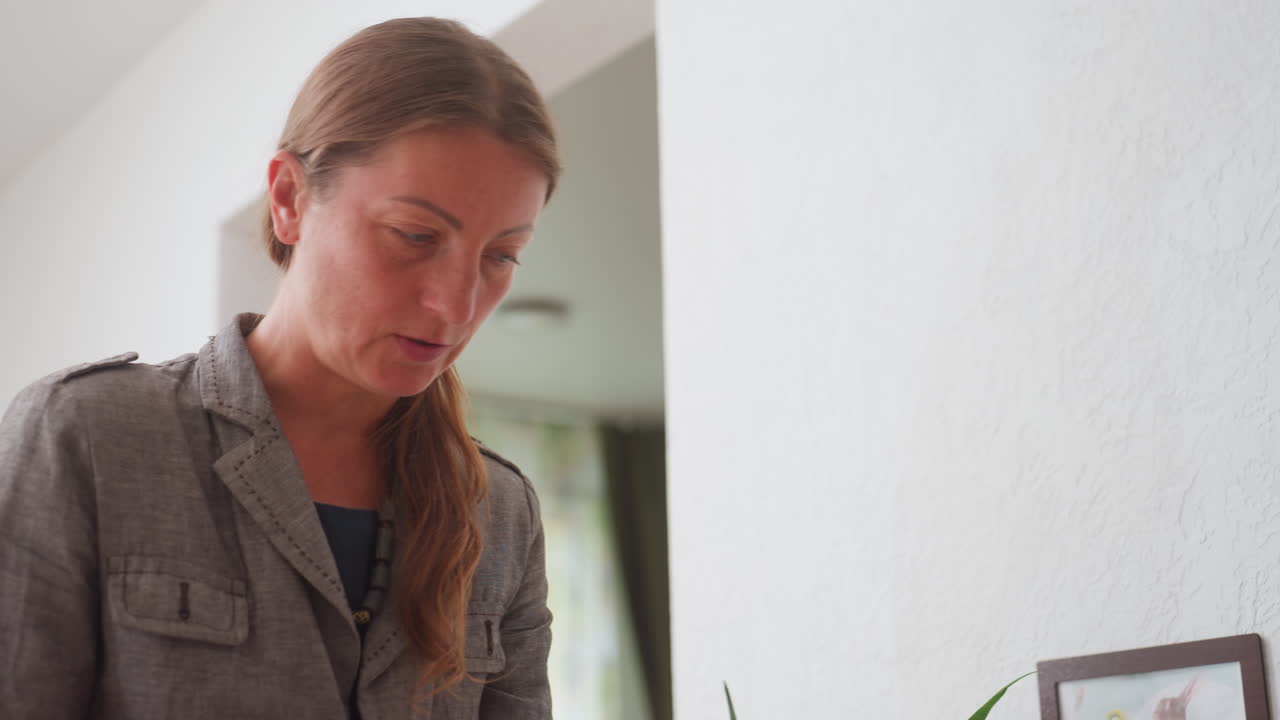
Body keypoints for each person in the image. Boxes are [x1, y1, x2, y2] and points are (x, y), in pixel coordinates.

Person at [0, 17, 559, 720]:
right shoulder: (88, 436)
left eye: (501, 255)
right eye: (414, 236)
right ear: (291, 199)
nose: (455, 304)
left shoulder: (502, 514)